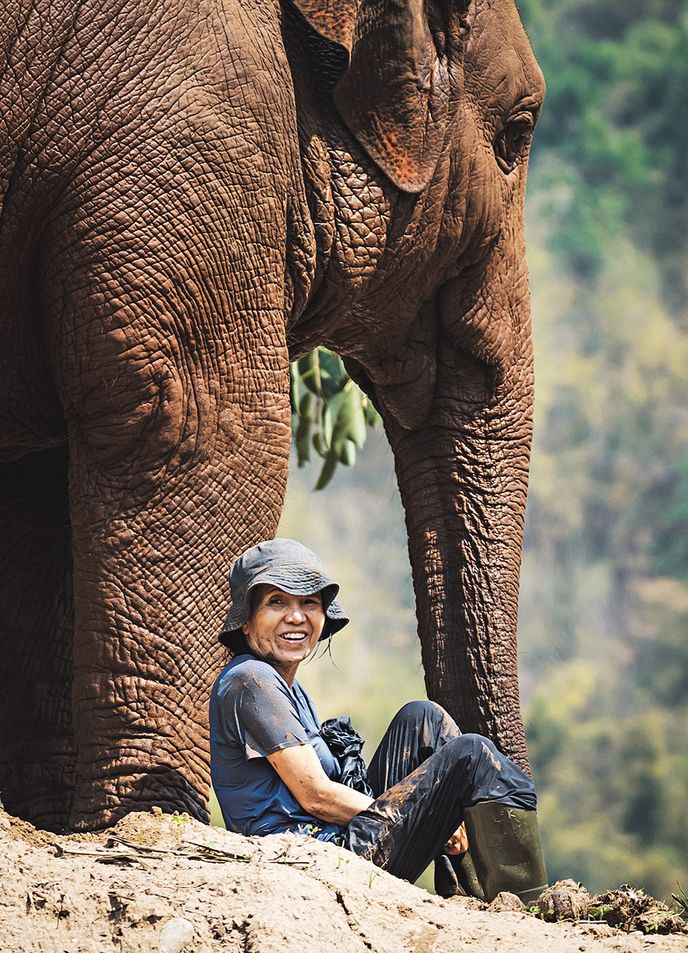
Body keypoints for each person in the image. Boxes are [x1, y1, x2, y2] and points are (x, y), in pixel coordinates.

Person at [209, 538, 547, 902]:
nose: (296, 616)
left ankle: (471, 891)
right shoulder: (251, 680)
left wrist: (416, 813)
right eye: (277, 602)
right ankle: (528, 900)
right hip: (310, 861)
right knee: (473, 755)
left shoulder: (289, 686)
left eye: (308, 602)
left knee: (423, 719)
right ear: (246, 621)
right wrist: (414, 812)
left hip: (335, 842)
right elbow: (316, 798)